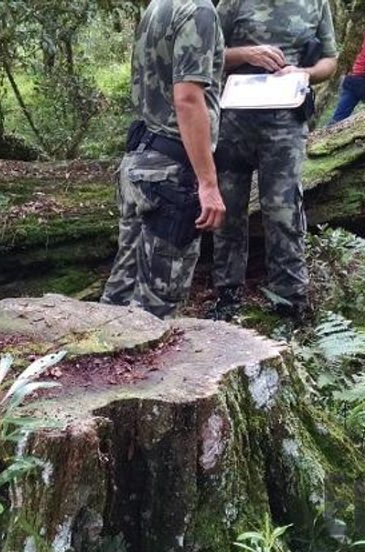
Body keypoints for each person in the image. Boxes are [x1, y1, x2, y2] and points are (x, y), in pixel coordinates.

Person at [207, 0, 339, 322]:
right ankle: (228, 297)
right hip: (234, 122)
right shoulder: (233, 3)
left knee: (283, 213)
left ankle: (290, 304)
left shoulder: (315, 3)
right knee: (228, 210)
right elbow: (209, 55)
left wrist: (304, 73)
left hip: (285, 124)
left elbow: (330, 60)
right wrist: (246, 55)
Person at [100, 0, 227, 319]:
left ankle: (98, 361)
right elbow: (187, 99)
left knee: (121, 289)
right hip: (170, 171)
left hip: (141, 159)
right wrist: (208, 182)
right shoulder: (199, 10)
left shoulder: (161, 5)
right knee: (158, 304)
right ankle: (138, 366)